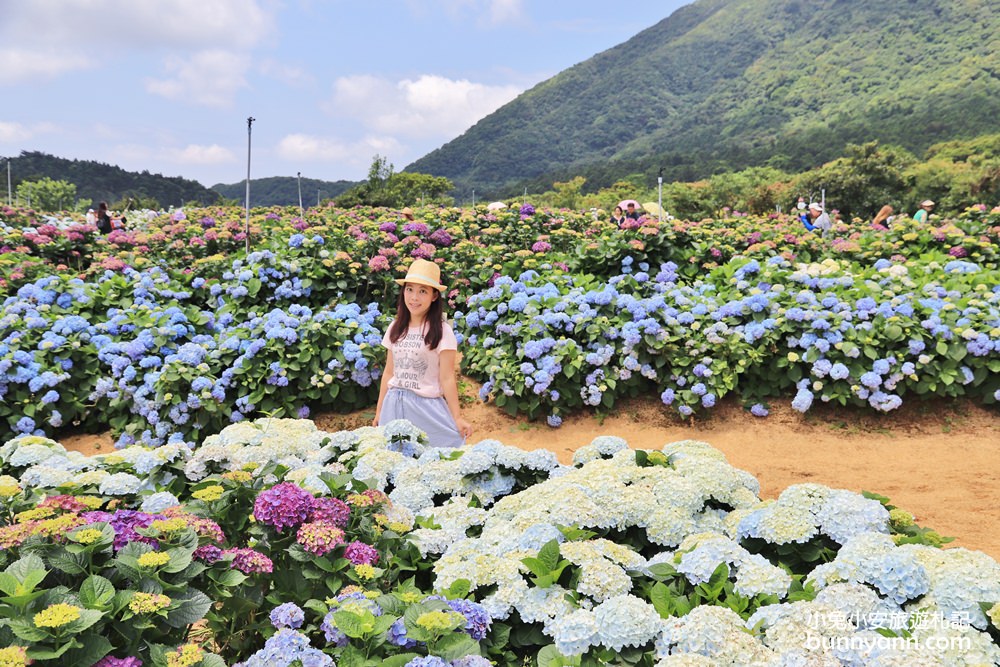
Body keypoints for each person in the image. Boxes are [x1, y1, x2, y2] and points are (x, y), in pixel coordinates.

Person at [373, 258, 472, 447]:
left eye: (422, 291)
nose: (414, 298)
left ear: (434, 296)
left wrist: (457, 418)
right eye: (409, 289)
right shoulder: (395, 327)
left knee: (440, 455)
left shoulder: (442, 332)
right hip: (392, 405)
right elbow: (388, 372)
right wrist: (379, 412)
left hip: (425, 407)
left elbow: (447, 378)